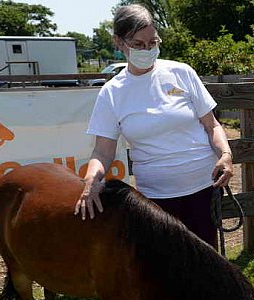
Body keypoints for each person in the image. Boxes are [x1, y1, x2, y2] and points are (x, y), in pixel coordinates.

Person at [74, 4, 233, 250]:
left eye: (152, 42)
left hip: (204, 187)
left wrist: (225, 155)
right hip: (155, 197)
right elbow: (102, 151)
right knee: (165, 267)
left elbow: (211, 125)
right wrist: (90, 181)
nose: (147, 50)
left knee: (205, 263)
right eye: (138, 44)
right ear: (119, 42)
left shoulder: (182, 72)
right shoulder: (112, 93)